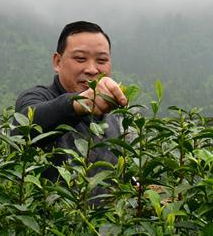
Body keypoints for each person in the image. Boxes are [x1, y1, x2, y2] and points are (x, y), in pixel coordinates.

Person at [14, 21, 128, 182]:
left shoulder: (116, 118)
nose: (92, 69)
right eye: (80, 58)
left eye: (101, 61)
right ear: (57, 62)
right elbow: (27, 126)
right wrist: (81, 103)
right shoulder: (36, 97)